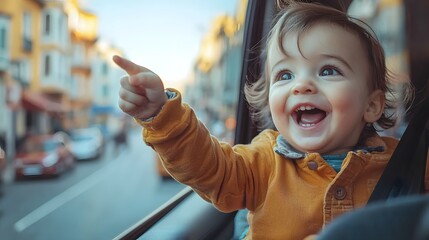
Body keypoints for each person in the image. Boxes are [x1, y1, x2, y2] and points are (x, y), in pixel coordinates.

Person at [113, 1, 425, 239]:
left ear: (371, 106)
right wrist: (161, 115)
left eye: (328, 70)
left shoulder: (407, 162)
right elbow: (209, 169)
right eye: (285, 75)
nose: (301, 85)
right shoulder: (264, 161)